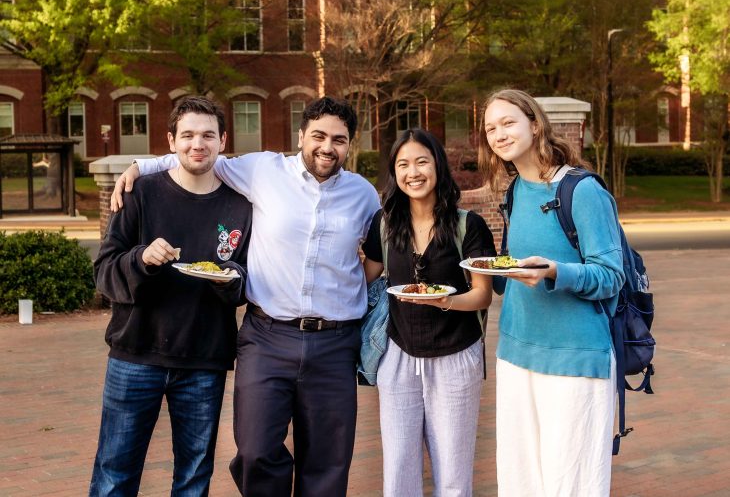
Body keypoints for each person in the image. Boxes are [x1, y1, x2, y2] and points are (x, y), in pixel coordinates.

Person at [110, 96, 381, 497]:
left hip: (335, 342)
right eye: (318, 135)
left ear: (349, 144)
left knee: (327, 460)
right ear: (301, 135)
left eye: (338, 140)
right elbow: (198, 155)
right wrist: (138, 166)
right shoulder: (263, 170)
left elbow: (375, 258)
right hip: (268, 336)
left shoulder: (364, 194)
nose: (327, 147)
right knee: (255, 452)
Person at [90, 96, 252, 496]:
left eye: (208, 135)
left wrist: (229, 280)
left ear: (223, 140)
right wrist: (142, 259)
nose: (198, 144)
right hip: (135, 355)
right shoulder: (140, 193)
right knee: (114, 475)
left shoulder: (242, 207)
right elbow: (104, 273)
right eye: (188, 135)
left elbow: (244, 281)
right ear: (171, 141)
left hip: (204, 361)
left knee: (194, 481)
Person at [478, 88, 625, 497]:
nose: (499, 134)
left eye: (508, 122)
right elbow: (510, 275)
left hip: (576, 357)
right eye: (491, 127)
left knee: (570, 482)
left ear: (535, 123)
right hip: (516, 353)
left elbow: (611, 275)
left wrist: (556, 271)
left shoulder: (582, 190)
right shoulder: (513, 191)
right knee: (520, 479)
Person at [362, 128, 495, 497]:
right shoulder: (386, 225)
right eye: (403, 164)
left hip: (456, 356)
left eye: (422, 161)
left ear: (437, 165)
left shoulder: (468, 225)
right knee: (399, 468)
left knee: (453, 470)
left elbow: (482, 296)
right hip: (399, 355)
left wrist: (445, 301)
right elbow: (364, 279)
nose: (413, 172)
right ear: (394, 173)